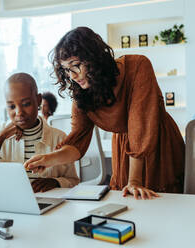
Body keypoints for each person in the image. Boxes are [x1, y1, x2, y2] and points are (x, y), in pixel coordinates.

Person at [25, 27, 185, 199]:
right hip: (125, 151)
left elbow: (140, 127)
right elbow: (77, 143)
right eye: (66, 70)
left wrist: (134, 181)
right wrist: (49, 159)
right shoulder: (81, 93)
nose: (72, 76)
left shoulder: (137, 66)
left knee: (165, 205)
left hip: (157, 143)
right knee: (130, 203)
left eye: (76, 66)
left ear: (94, 58)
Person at [0, 73, 79, 192]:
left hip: (47, 204)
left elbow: (73, 181)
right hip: (4, 206)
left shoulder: (59, 138)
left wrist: (56, 182)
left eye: (26, 104)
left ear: (38, 100)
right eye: (12, 106)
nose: (19, 112)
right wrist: (0, 138)